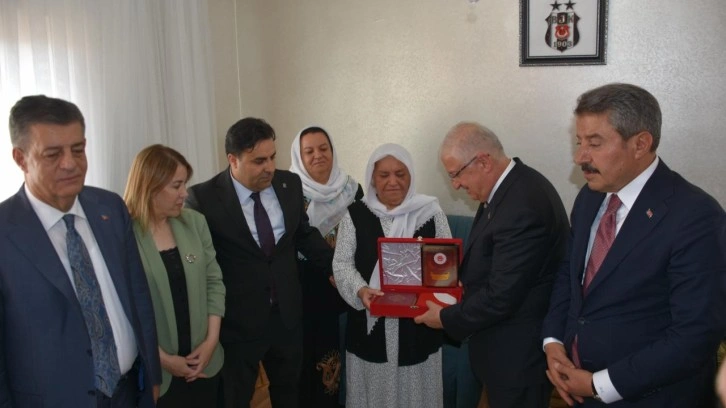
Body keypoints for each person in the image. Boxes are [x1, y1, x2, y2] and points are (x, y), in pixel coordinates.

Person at [541, 83, 726, 407]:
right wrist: (553, 341)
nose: (580, 157)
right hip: (580, 389)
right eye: (579, 142)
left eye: (594, 143)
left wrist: (599, 384)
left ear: (641, 143)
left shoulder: (696, 216)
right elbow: (569, 275)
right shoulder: (589, 197)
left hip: (653, 397)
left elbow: (695, 334)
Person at [0, 95, 161, 407]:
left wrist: (153, 377)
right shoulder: (6, 232)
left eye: (78, 149)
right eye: (52, 154)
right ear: (21, 158)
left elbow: (138, 298)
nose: (70, 163)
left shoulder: (110, 208)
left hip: (129, 392)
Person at [415, 122, 569, 408]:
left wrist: (446, 317)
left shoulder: (523, 205)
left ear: (483, 161)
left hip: (517, 359)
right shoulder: (507, 188)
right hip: (499, 350)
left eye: (456, 174)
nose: (455, 185)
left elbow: (502, 296)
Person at [185, 117, 334, 408]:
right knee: (235, 399)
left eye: (272, 157)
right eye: (259, 161)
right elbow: (200, 266)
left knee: (290, 395)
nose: (270, 167)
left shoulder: (289, 184)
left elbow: (303, 234)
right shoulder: (204, 198)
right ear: (233, 160)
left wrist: (335, 268)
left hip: (287, 318)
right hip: (238, 324)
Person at [333, 143, 451, 408]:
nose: (393, 182)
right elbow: (341, 264)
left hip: (418, 324)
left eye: (400, 174)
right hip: (371, 322)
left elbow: (446, 268)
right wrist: (361, 290)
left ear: (411, 176)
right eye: (383, 175)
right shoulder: (355, 214)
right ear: (372, 179)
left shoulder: (431, 213)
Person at [123, 144, 226, 407]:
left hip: (205, 362)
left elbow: (214, 282)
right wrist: (163, 360)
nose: (185, 193)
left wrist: (211, 341)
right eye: (176, 186)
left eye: (184, 184)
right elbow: (126, 309)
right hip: (159, 374)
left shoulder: (194, 222)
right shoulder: (125, 235)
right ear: (150, 186)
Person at [289, 126, 363, 407]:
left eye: (323, 148)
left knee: (332, 360)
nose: (318, 155)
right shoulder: (288, 192)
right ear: (299, 157)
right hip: (303, 285)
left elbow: (363, 236)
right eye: (309, 151)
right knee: (304, 360)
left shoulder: (352, 189)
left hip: (342, 284)